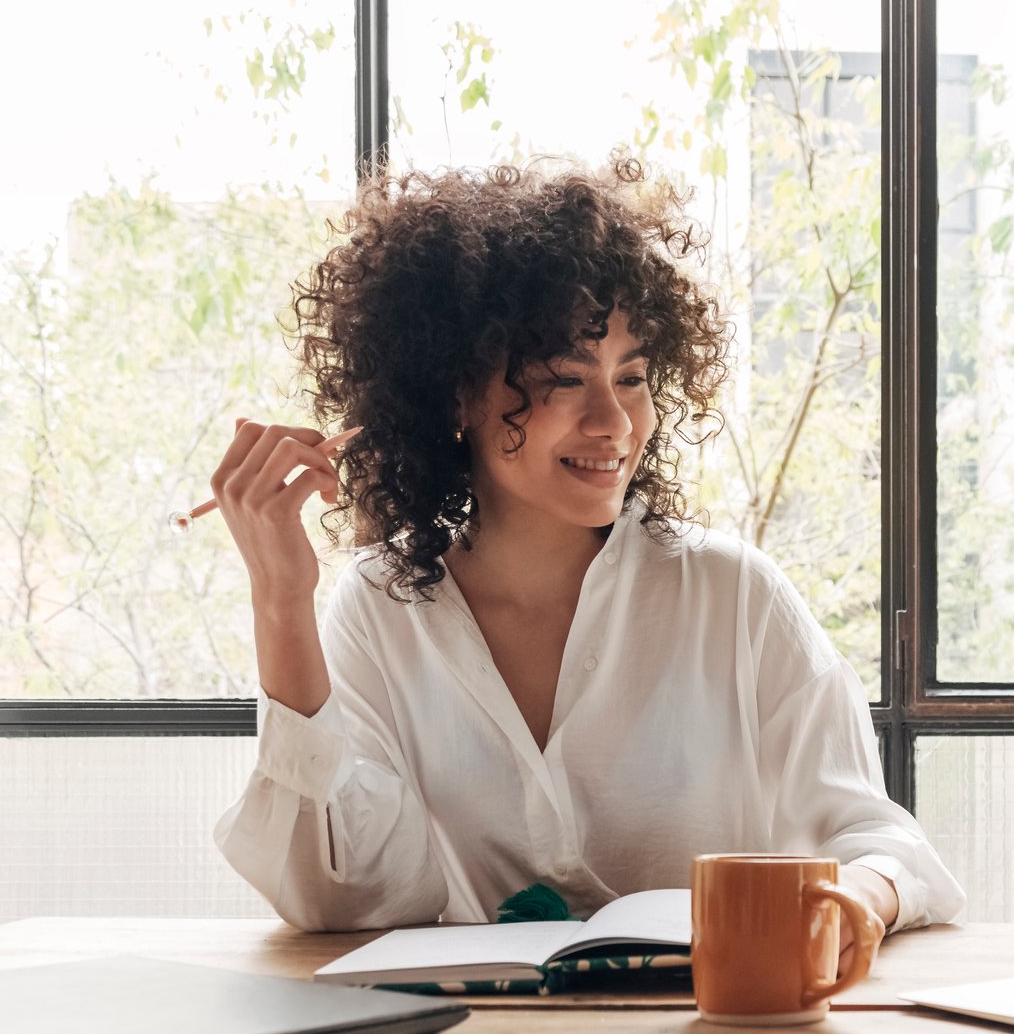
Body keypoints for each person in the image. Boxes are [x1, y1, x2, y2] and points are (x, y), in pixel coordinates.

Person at [210, 153, 965, 962]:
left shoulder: (731, 596)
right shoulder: (379, 607)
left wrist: (854, 897)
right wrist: (280, 601)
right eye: (564, 380)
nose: (614, 423)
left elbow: (879, 840)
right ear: (456, 395)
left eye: (632, 377)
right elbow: (340, 899)